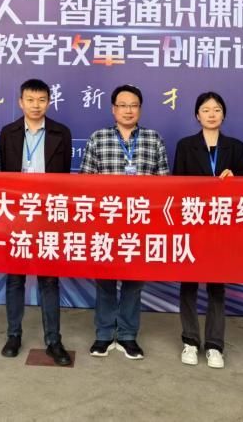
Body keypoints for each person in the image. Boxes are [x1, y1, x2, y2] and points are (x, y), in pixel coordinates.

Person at [79, 84, 169, 360]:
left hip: (140, 222)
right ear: (113, 109)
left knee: (134, 282)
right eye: (122, 105)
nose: (128, 110)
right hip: (106, 222)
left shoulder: (154, 139)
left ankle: (128, 336)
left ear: (140, 109)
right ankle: (104, 334)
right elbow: (84, 182)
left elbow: (165, 184)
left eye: (133, 105)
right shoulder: (98, 138)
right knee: (105, 281)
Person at [0, 79, 73, 366]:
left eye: (41, 100)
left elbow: (65, 179)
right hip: (16, 213)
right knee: (15, 278)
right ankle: (13, 335)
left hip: (48, 213)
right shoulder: (8, 133)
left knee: (49, 279)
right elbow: (1, 176)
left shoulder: (61, 133)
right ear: (21, 102)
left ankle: (53, 340)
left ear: (48, 102)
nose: (36, 105)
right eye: (30, 100)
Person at [173, 92, 243, 369]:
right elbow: (176, 186)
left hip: (222, 224)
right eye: (206, 110)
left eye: (217, 109)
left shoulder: (236, 147)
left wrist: (235, 181)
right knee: (189, 285)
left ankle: (215, 345)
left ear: (223, 114)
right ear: (197, 115)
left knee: (217, 286)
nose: (212, 114)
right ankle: (190, 341)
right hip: (192, 223)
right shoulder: (185, 145)